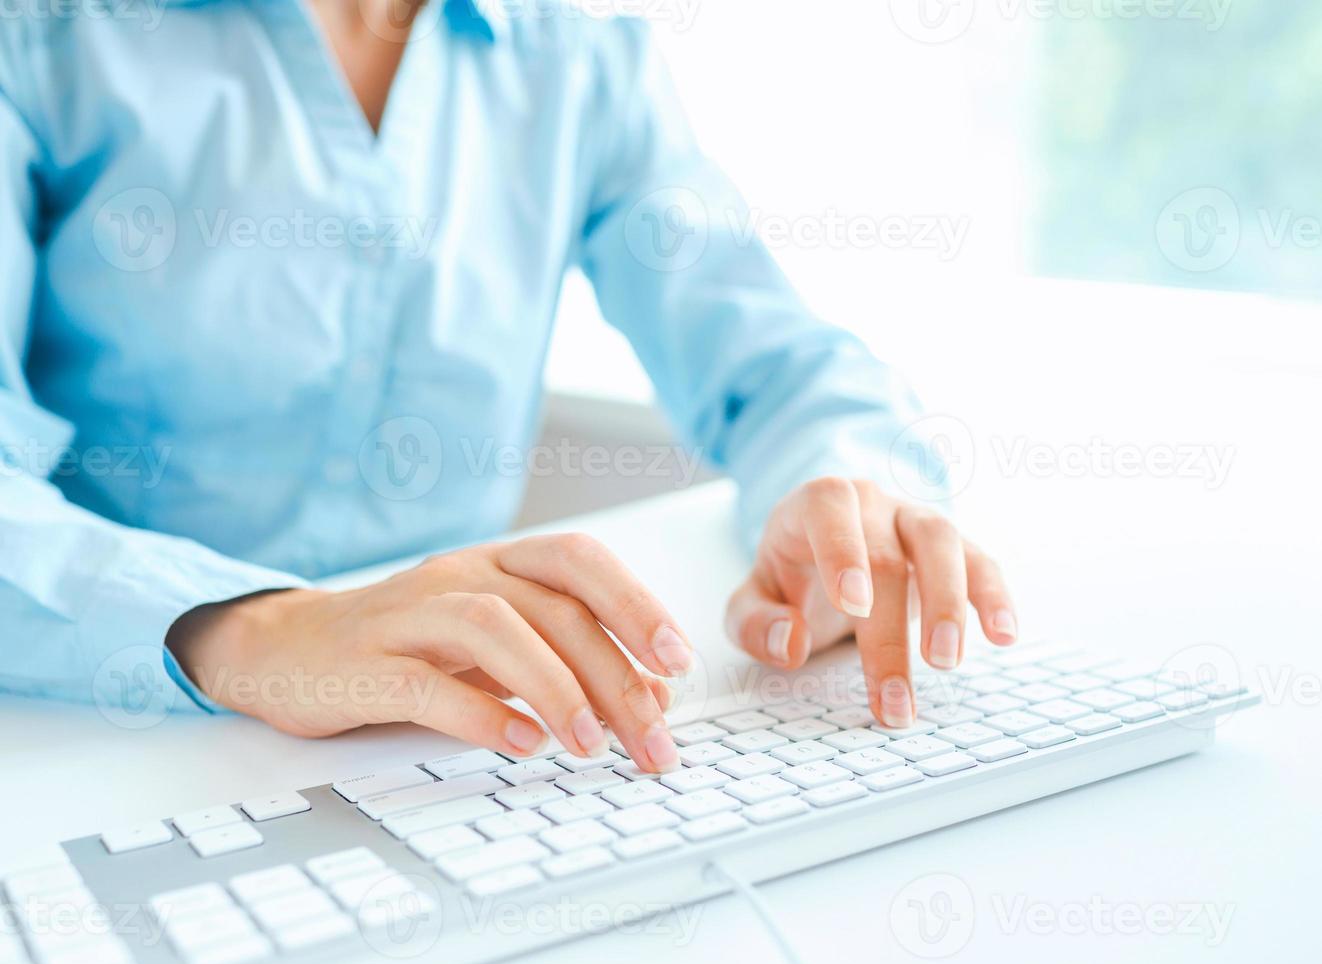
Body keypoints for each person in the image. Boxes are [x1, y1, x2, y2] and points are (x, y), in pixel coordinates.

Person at [0, 0, 1016, 773]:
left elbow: (772, 357)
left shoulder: (571, 45)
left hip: (463, 748)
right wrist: (251, 625)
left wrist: (844, 490)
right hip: (107, 733)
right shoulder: (45, 38)